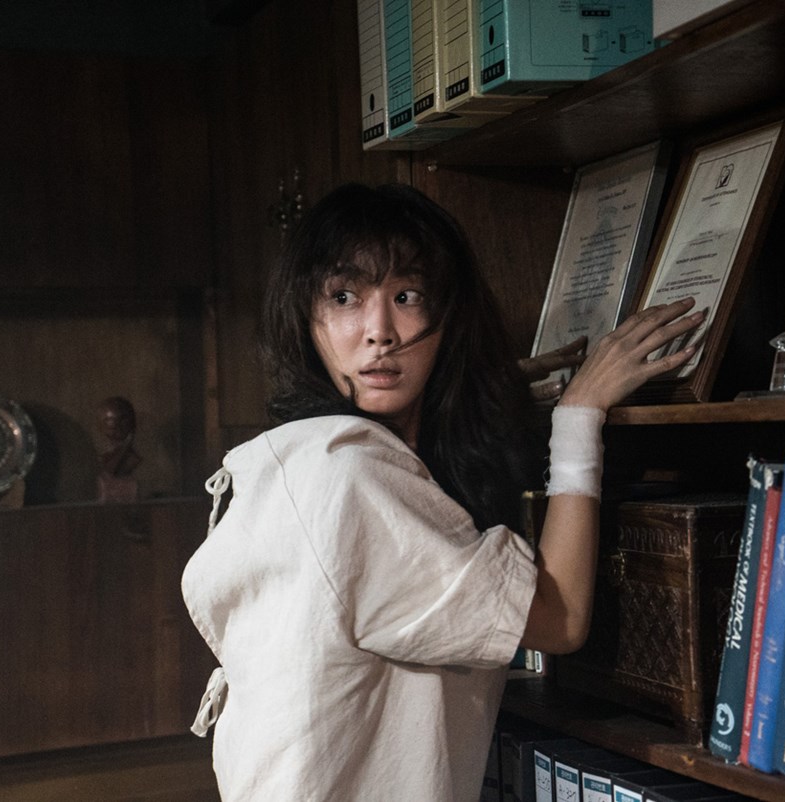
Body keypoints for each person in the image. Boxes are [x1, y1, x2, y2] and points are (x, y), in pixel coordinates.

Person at [181, 183, 703, 800]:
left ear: (448, 317)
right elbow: (558, 621)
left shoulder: (300, 455)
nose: (380, 332)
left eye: (406, 296)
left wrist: (483, 388)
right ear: (306, 319)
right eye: (345, 297)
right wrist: (579, 412)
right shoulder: (346, 475)